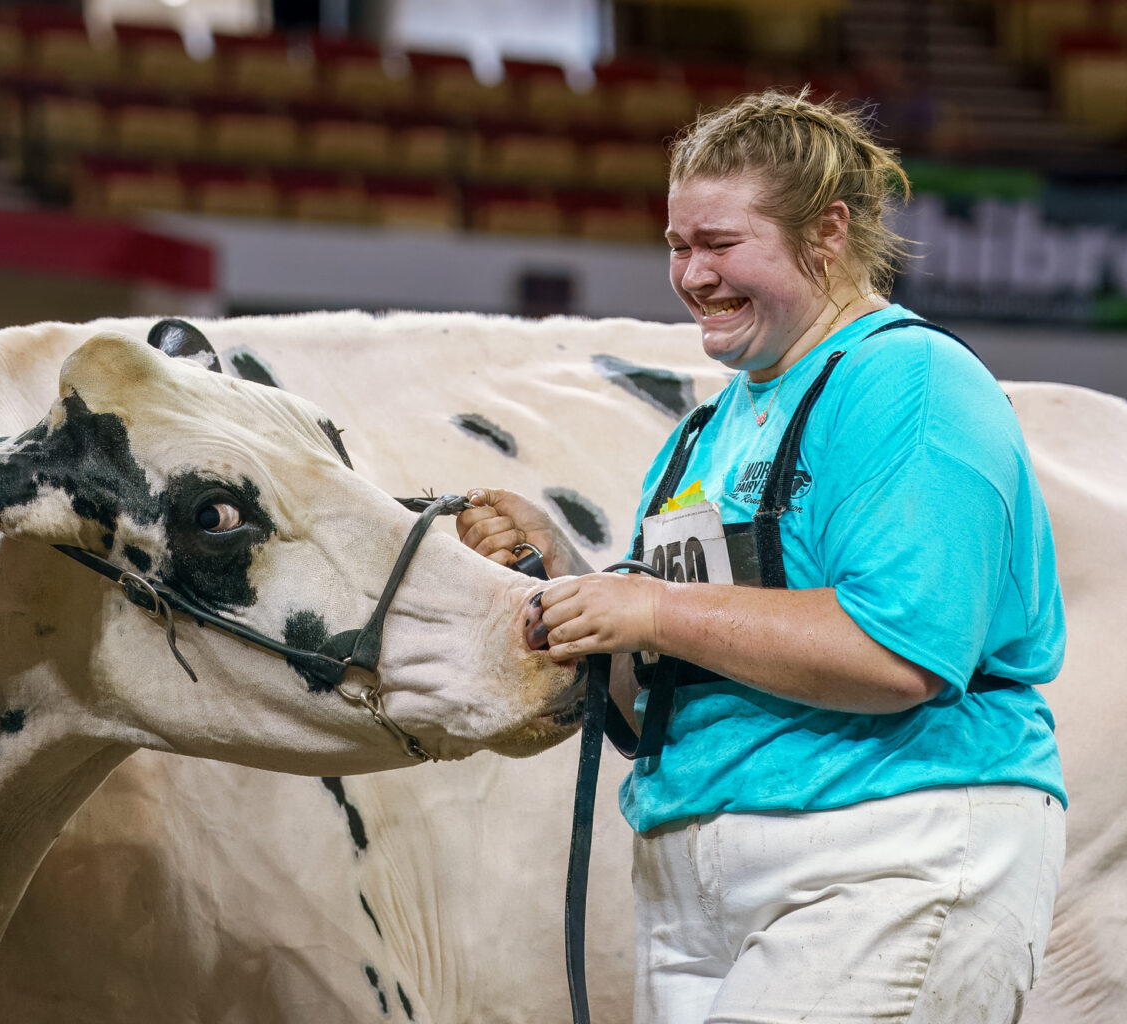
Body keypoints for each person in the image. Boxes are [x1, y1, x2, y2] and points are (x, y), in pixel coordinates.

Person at [456, 89, 1066, 1024]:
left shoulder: (911, 380)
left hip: (881, 854)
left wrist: (650, 608)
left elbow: (898, 653)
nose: (693, 274)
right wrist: (568, 580)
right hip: (690, 883)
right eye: (676, 246)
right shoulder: (705, 432)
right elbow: (656, 691)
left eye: (720, 243)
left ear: (826, 233)